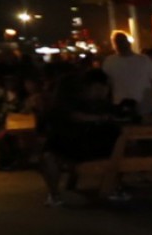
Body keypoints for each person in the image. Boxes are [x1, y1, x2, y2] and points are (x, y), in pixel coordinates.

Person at [39, 69, 126, 207]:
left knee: (121, 148)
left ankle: (55, 195)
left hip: (91, 148)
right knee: (49, 154)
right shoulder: (72, 106)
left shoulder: (100, 105)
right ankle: (116, 188)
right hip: (81, 147)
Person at [101, 33, 152, 116]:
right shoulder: (109, 61)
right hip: (121, 107)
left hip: (143, 106)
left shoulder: (144, 60)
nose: (121, 44)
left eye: (122, 41)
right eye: (118, 42)